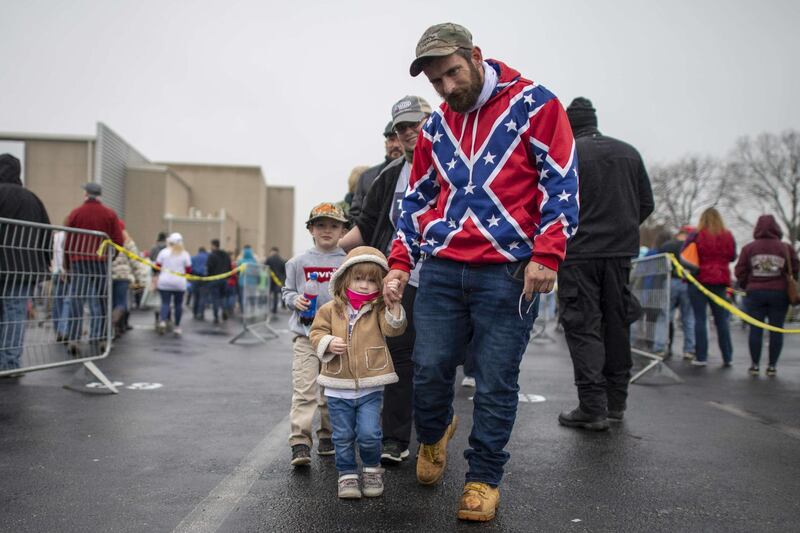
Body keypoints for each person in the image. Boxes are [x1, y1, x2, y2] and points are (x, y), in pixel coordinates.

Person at [383, 23, 579, 522]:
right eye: (436, 82)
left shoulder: (535, 104)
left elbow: (561, 182)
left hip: (509, 271)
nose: (448, 88)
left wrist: (548, 252)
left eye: (452, 73)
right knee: (427, 370)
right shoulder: (433, 127)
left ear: (474, 56)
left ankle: (483, 477)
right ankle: (434, 433)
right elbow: (417, 200)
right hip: (444, 268)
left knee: (494, 379)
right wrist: (401, 263)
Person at [339, 94, 432, 464]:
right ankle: (396, 438)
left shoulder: (456, 166)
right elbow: (367, 225)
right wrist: (330, 255)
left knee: (438, 361)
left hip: (445, 277)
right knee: (400, 357)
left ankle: (433, 432)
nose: (409, 133)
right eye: (401, 128)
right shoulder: (389, 175)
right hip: (399, 280)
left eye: (416, 124)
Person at [556, 97, 654, 431]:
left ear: (570, 124)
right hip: (619, 254)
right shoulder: (628, 152)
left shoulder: (569, 154)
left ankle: (592, 405)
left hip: (579, 253)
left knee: (583, 326)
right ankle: (616, 402)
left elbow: (553, 202)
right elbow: (646, 203)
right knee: (617, 324)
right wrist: (623, 229)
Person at [309, 246, 407, 499]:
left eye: (372, 280)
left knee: (370, 434)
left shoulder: (378, 308)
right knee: (342, 435)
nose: (364, 285)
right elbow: (316, 333)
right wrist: (328, 342)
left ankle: (372, 470)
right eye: (358, 278)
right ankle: (347, 475)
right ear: (344, 278)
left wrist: (394, 306)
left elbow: (394, 329)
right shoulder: (330, 309)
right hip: (337, 385)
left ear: (381, 283)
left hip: (370, 385)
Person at [282, 203, 348, 466]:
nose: (327, 231)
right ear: (310, 229)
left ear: (343, 230)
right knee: (304, 390)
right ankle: (300, 441)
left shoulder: (347, 262)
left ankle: (327, 435)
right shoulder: (297, 262)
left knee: (331, 391)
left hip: (335, 339)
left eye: (334, 226)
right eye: (320, 225)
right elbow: (287, 291)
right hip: (305, 337)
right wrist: (294, 299)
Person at [0, 154, 51, 373]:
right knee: (15, 314)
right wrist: (45, 261)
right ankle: (10, 362)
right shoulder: (32, 199)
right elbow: (46, 233)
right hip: (23, 267)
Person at [63, 182, 124, 355]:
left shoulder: (76, 213)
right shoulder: (110, 214)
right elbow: (118, 241)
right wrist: (110, 258)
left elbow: (67, 242)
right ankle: (103, 337)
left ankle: (74, 338)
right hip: (100, 261)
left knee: (77, 300)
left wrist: (67, 265)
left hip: (79, 261)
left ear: (86, 194)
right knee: (103, 299)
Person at [734, 215, 799, 376]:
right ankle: (772, 366)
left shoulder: (749, 248)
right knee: (776, 329)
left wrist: (746, 284)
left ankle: (755, 365)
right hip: (779, 293)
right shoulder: (785, 248)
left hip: (755, 293)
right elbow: (796, 268)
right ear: (776, 228)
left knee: (755, 329)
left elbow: (739, 270)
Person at [684, 207, 736, 367]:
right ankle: (727, 357)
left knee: (700, 319)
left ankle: (701, 357)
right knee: (722, 321)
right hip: (720, 281)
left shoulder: (695, 235)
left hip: (698, 280)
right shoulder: (727, 235)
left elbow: (684, 255)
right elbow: (732, 256)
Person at [654, 226, 696, 359]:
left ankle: (659, 347)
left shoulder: (667, 246)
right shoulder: (692, 247)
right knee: (688, 318)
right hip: (687, 283)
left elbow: (658, 265)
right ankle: (689, 349)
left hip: (669, 282)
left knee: (664, 316)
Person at [349, 121, 403, 220]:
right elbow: (355, 215)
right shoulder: (367, 177)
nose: (395, 145)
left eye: (399, 139)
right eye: (391, 140)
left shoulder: (417, 172)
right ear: (386, 144)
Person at [110, 220, 148, 338]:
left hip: (108, 275)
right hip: (123, 277)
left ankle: (110, 328)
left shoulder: (107, 239)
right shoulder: (128, 242)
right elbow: (135, 262)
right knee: (121, 303)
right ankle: (115, 323)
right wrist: (141, 280)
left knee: (109, 303)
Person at [154, 233, 192, 335]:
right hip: (179, 283)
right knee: (178, 305)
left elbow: (157, 266)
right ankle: (177, 327)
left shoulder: (164, 252)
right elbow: (188, 269)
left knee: (165, 303)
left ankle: (162, 321)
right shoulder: (185, 254)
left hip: (164, 282)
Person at [205, 239, 232, 324]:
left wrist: (208, 278)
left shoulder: (212, 255)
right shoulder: (226, 255)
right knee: (223, 297)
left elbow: (209, 267)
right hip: (224, 279)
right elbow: (229, 267)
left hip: (214, 279)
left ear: (213, 245)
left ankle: (216, 316)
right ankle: (224, 310)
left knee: (215, 298)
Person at [237, 245, 260, 317]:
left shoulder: (241, 261)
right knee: (252, 296)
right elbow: (258, 272)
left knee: (242, 296)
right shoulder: (254, 261)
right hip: (253, 282)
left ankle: (243, 311)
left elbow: (238, 271)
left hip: (242, 282)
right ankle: (252, 309)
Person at [265, 247, 287, 315]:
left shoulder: (269, 259)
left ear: (272, 251)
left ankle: (270, 308)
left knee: (271, 294)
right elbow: (284, 271)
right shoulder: (282, 260)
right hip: (279, 280)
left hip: (270, 279)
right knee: (278, 294)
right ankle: (279, 307)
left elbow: (265, 268)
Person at [189, 247, 209, 320]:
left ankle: (195, 312)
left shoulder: (193, 258)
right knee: (202, 296)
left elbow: (190, 268)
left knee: (196, 296)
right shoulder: (208, 257)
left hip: (195, 278)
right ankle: (201, 312)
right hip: (205, 278)